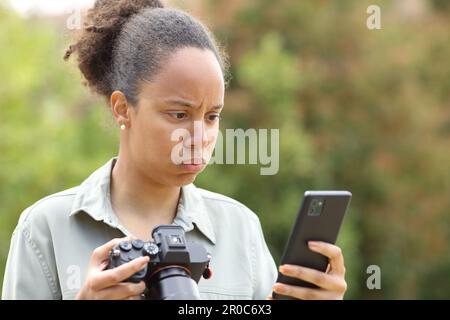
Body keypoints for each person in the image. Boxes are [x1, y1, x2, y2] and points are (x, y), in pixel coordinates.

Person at [2, 0, 347, 300]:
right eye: (179, 115)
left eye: (212, 116)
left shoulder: (240, 228)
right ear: (122, 108)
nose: (199, 136)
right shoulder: (45, 229)